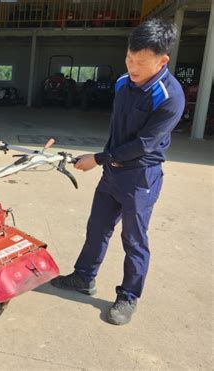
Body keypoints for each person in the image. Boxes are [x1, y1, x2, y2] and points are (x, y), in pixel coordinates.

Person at [51, 19, 185, 325]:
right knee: (97, 227)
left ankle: (128, 296)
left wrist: (99, 158)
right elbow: (118, 130)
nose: (132, 67)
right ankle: (84, 277)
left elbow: (144, 144)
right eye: (129, 58)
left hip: (141, 177)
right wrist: (107, 161)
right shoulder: (123, 82)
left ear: (162, 61)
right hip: (112, 171)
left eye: (141, 62)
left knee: (134, 240)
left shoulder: (170, 96)